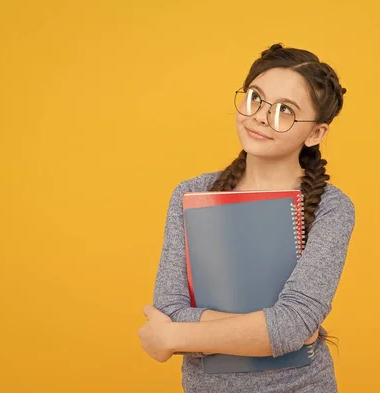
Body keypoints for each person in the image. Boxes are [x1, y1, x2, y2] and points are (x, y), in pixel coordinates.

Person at [138, 43, 356, 392]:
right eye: (255, 97)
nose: (260, 116)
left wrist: (176, 336)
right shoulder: (191, 193)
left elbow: (292, 323)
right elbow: (170, 308)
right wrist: (283, 332)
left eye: (285, 110)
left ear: (316, 133)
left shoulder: (332, 207)